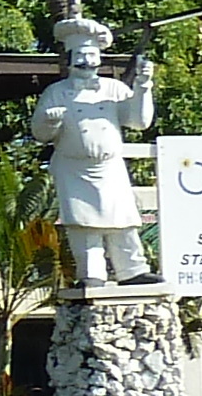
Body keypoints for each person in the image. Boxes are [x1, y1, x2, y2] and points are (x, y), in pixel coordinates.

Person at [29, 16, 158, 288]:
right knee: (83, 226)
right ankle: (92, 274)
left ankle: (133, 270)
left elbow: (139, 121)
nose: (87, 61)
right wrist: (50, 120)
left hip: (110, 167)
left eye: (92, 55)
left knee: (123, 221)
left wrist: (143, 87)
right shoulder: (56, 92)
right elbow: (40, 134)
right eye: (81, 56)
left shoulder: (113, 88)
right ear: (71, 58)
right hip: (74, 170)